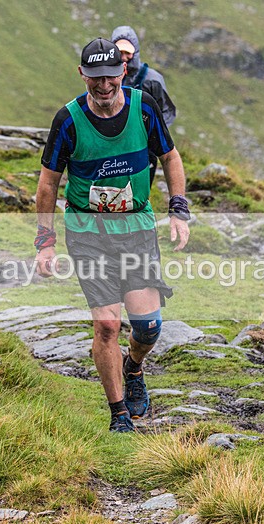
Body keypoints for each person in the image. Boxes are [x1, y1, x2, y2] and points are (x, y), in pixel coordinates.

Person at [35, 38, 191, 433]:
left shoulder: (144, 108)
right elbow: (48, 184)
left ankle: (133, 367)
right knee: (106, 325)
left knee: (148, 328)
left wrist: (178, 209)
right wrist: (45, 242)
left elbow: (170, 157)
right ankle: (119, 413)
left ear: (123, 70)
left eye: (109, 76)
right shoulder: (68, 120)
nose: (103, 85)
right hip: (88, 232)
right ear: (82, 75)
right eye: (94, 78)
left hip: (136, 229)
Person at [112, 26, 177, 184]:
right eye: (119, 52)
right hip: (114, 142)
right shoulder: (107, 78)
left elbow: (166, 111)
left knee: (141, 186)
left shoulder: (152, 80)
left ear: (135, 52)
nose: (124, 57)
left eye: (128, 52)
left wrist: (153, 136)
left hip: (145, 144)